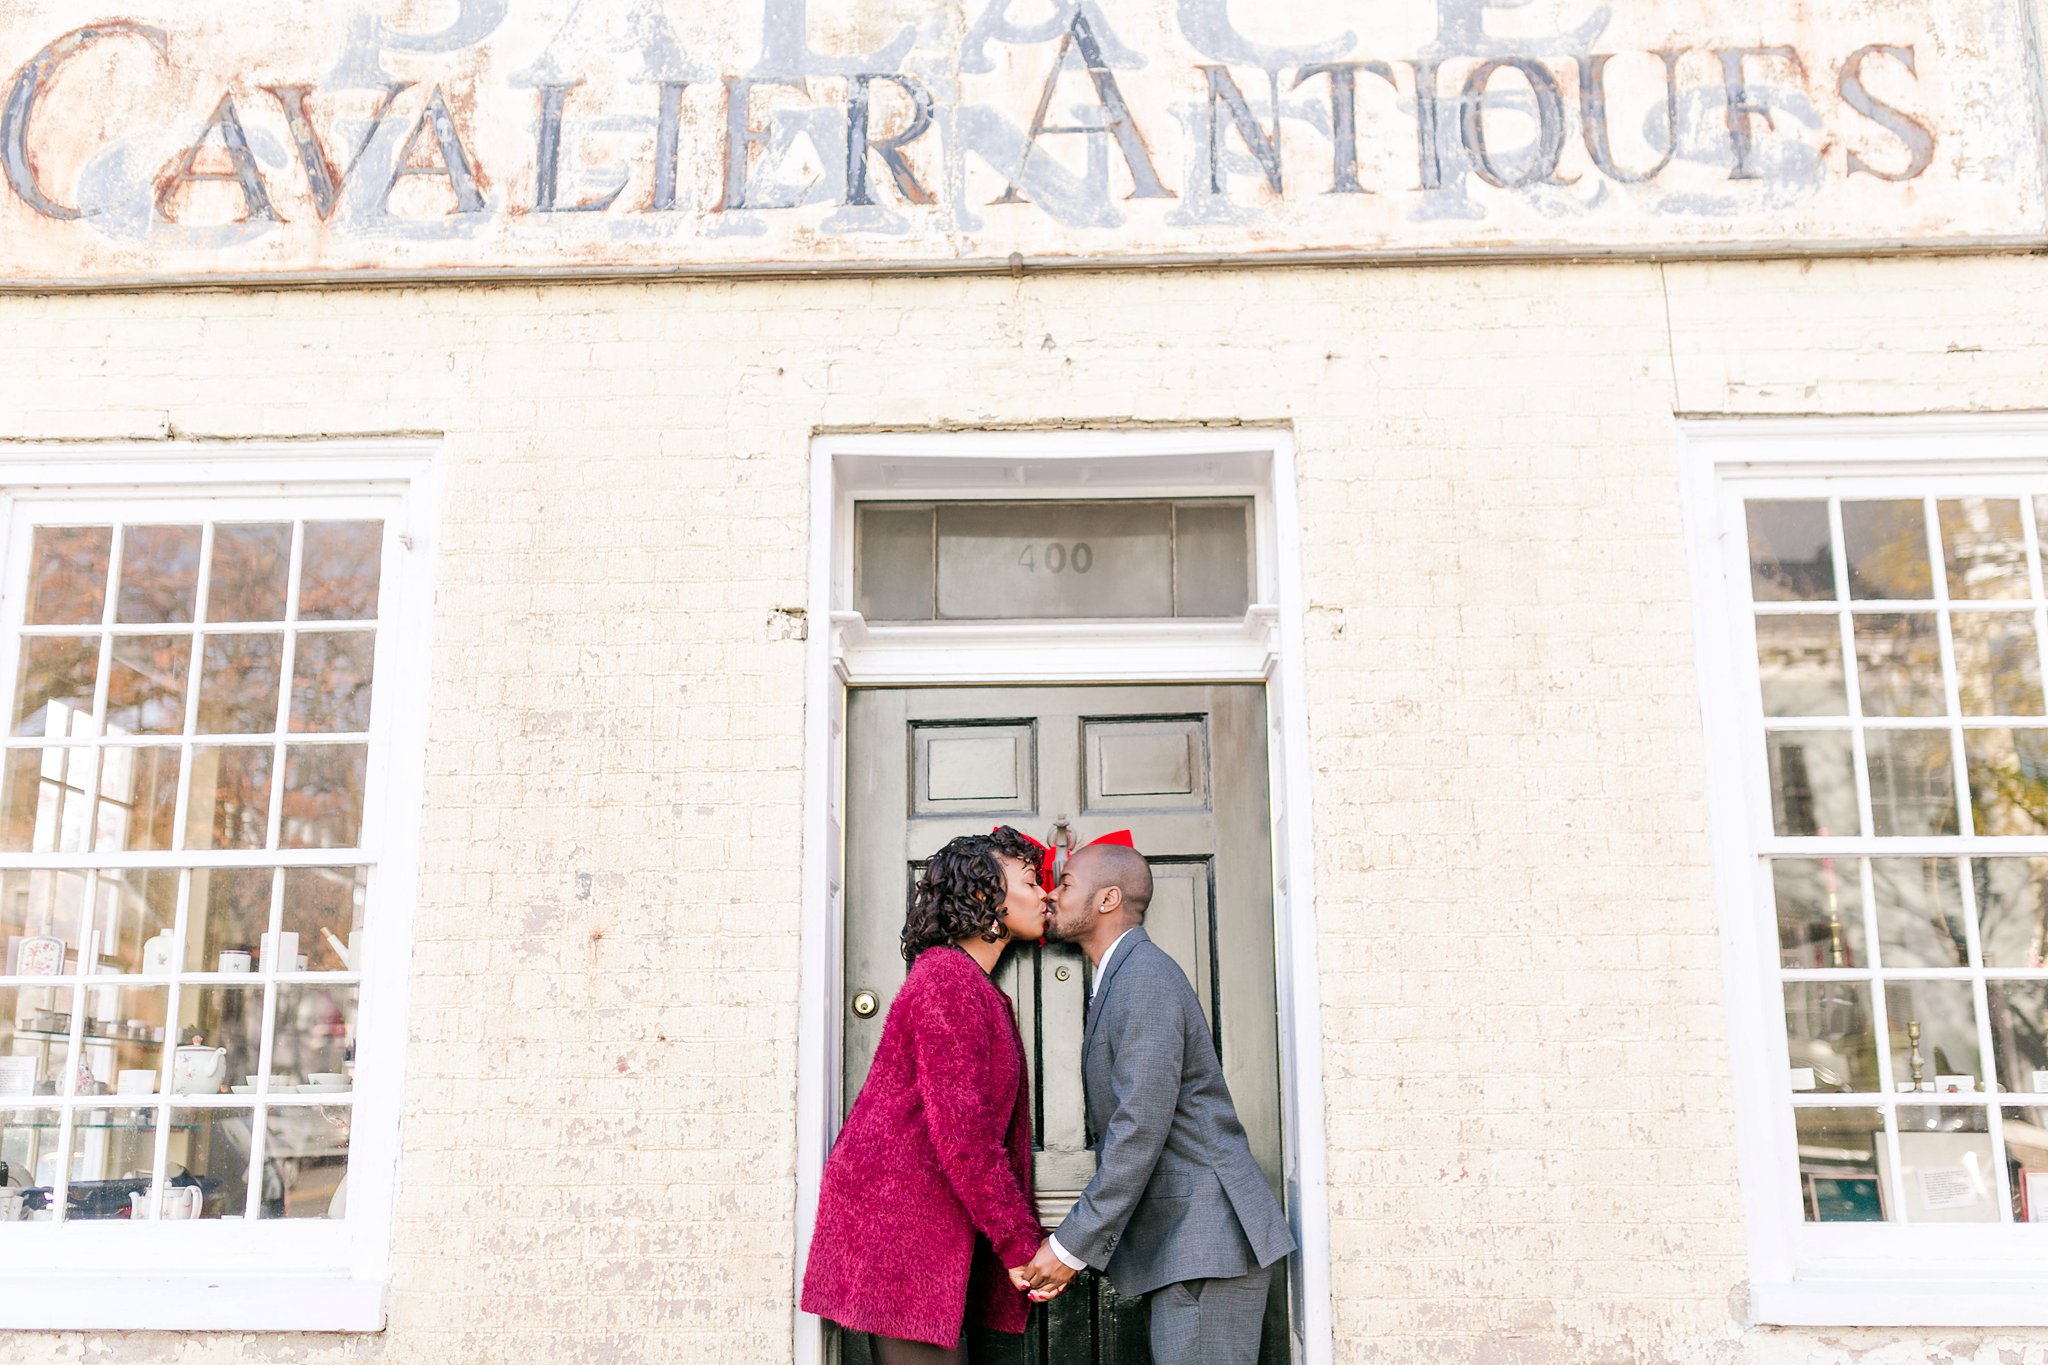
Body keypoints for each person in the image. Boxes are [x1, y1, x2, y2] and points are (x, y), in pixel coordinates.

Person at [1013, 840, 1296, 1365]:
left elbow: (1139, 1126)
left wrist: (1070, 1245)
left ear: (1107, 899)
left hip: (1208, 1243)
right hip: (1190, 1244)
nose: (1052, 894)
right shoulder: (1123, 976)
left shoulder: (1144, 979)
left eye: (1067, 883)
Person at [802, 826, 1050, 1364]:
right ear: (987, 896)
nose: (1044, 894)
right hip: (897, 1224)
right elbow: (963, 1133)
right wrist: (1017, 1241)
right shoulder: (946, 980)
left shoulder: (972, 987)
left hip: (921, 1225)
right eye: (1030, 882)